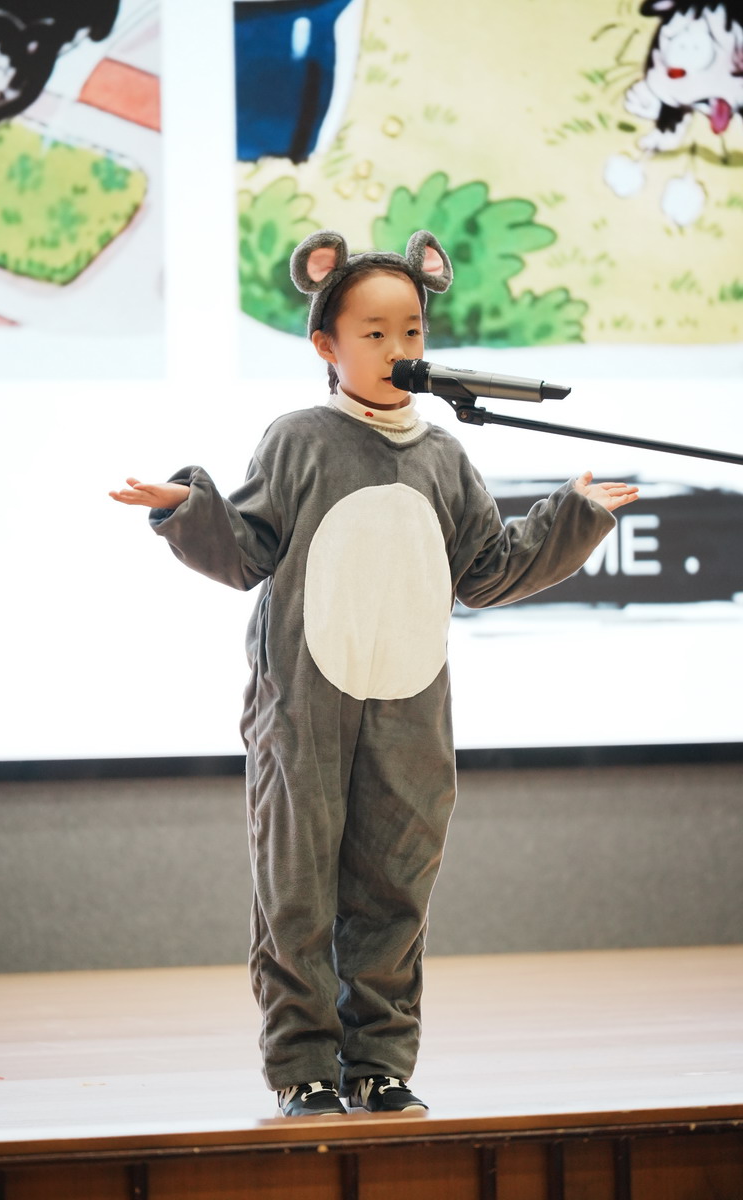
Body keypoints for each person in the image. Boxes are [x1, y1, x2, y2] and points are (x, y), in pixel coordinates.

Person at [110, 229, 638, 1119]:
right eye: (375, 332)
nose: (399, 348)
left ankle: (380, 1064)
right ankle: (304, 1066)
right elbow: (247, 550)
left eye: (413, 332)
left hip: (410, 704)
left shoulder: (443, 456)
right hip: (305, 707)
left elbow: (487, 570)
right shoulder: (299, 440)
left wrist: (573, 515)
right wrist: (189, 507)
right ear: (327, 343)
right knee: (298, 886)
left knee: (396, 885)